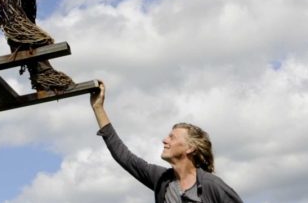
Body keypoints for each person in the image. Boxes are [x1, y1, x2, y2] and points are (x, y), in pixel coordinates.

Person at [90, 81, 243, 203]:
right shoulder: (162, 179)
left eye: (172, 137)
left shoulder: (212, 186)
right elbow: (124, 156)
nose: (164, 140)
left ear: (190, 148)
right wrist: (98, 108)